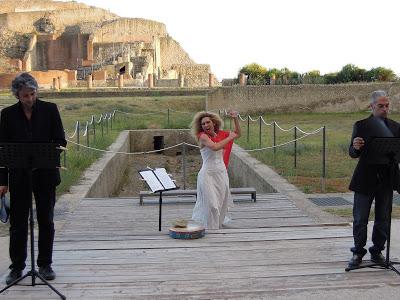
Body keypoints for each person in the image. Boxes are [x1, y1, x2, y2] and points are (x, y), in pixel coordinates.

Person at [0, 73, 67, 284]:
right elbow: (2, 150)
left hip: (45, 174)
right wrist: (2, 181)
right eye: (25, 96)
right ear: (17, 95)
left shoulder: (50, 109)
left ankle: (45, 265)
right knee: (18, 222)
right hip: (19, 175)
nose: (29, 99)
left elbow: (60, 140)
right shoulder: (7, 114)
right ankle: (17, 267)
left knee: (46, 220)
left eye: (32, 94)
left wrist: (46, 151)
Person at [347, 90, 400, 268]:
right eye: (381, 106)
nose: (385, 109)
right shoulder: (361, 125)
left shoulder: (395, 127)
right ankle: (358, 253)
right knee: (360, 218)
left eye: (387, 106)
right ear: (372, 106)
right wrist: (355, 147)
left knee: (383, 218)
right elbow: (353, 153)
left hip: (386, 179)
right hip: (365, 178)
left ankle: (377, 251)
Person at [191, 110, 241, 229]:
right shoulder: (202, 136)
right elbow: (215, 147)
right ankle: (211, 230)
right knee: (212, 205)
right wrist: (229, 138)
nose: (206, 125)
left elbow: (237, 133)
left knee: (221, 204)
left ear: (213, 123)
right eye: (203, 124)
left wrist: (235, 119)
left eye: (208, 122)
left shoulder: (220, 134)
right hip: (208, 174)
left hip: (221, 173)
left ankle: (217, 228)